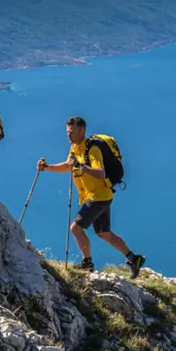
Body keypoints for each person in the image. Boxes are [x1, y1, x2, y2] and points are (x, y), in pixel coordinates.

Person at [37, 116, 146, 277]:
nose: (68, 135)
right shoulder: (75, 147)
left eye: (71, 132)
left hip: (98, 197)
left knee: (76, 228)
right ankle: (133, 258)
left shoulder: (92, 150)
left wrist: (80, 165)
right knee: (104, 233)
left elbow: (101, 173)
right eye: (67, 132)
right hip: (98, 196)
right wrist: (46, 168)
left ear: (82, 131)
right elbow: (68, 165)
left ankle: (87, 263)